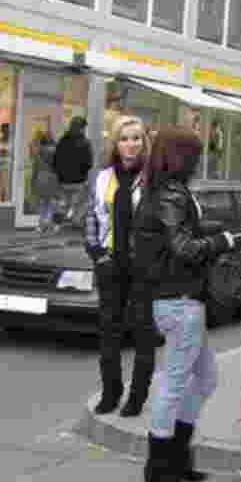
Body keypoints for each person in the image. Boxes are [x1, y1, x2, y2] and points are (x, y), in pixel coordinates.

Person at [135, 126, 236, 482]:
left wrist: (207, 229)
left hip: (182, 298)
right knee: (175, 382)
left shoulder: (166, 192)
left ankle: (177, 457)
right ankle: (160, 469)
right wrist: (218, 241)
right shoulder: (171, 194)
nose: (199, 160)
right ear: (180, 156)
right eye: (194, 154)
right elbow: (183, 248)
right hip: (178, 300)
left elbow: (172, 237)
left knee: (206, 377)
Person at [86, 116, 157, 418]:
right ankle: (110, 392)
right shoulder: (102, 178)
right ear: (115, 143)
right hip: (111, 265)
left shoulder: (154, 178)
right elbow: (91, 218)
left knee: (143, 334)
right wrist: (97, 253)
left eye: (136, 138)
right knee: (109, 333)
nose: (131, 144)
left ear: (144, 142)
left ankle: (136, 398)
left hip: (142, 268)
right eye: (124, 138)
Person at [54, 116, 93, 224]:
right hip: (79, 181)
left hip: (63, 181)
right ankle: (75, 220)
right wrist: (82, 172)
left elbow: (56, 160)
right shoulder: (86, 143)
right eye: (83, 127)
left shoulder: (62, 141)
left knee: (64, 202)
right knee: (83, 200)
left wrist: (59, 174)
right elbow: (89, 163)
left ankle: (59, 222)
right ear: (81, 128)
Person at [33, 134, 60, 232]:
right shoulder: (56, 152)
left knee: (43, 203)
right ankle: (48, 222)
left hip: (41, 178)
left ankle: (41, 225)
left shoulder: (39, 152)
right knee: (52, 202)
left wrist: (34, 181)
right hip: (52, 178)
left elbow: (35, 168)